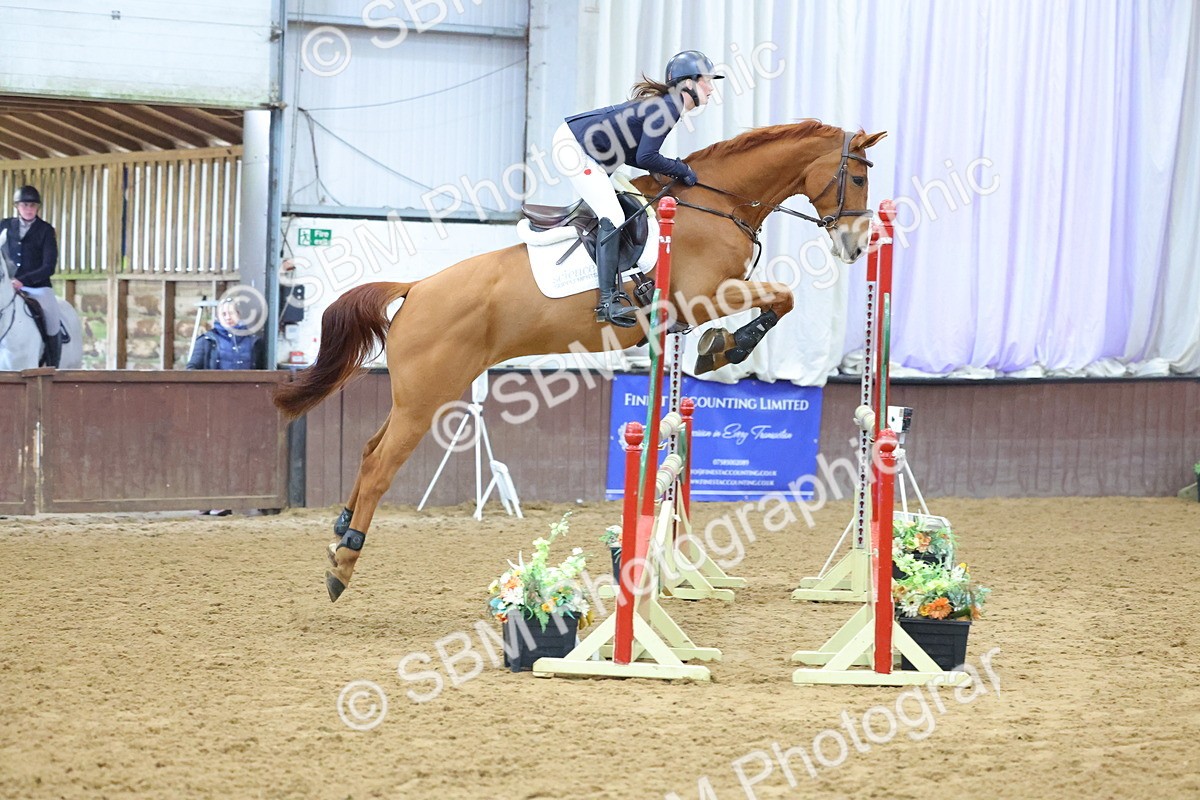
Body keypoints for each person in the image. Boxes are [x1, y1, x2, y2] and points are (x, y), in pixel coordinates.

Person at [553, 50, 722, 327]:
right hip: (574, 147)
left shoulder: (669, 105)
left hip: (591, 149)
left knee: (631, 209)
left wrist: (666, 169)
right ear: (687, 83)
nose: (712, 88)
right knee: (614, 216)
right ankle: (607, 302)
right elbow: (645, 158)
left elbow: (637, 154)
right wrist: (683, 169)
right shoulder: (668, 108)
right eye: (706, 81)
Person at [4, 185, 62, 366]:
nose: (28, 209)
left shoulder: (45, 230)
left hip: (37, 287)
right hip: (6, 286)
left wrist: (22, 280)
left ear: (37, 208)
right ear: (17, 206)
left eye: (32, 205)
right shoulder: (4, 226)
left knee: (52, 321)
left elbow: (49, 266)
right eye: (24, 205)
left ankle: (53, 362)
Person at [185, 297, 266, 371]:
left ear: (238, 314)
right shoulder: (207, 340)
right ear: (218, 317)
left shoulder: (254, 341)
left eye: (231, 313)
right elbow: (192, 369)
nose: (228, 317)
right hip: (215, 386)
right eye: (224, 314)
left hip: (248, 386)